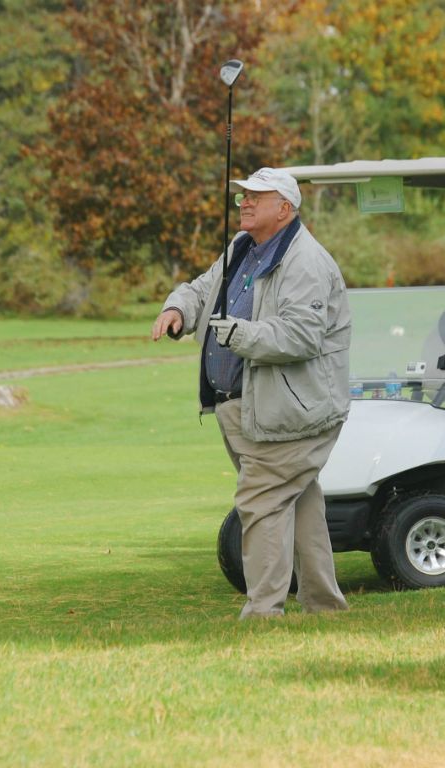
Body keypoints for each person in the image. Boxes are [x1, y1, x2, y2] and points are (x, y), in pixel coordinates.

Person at [152, 167, 351, 619]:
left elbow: (301, 336)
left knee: (260, 502)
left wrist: (237, 334)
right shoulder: (244, 246)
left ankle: (263, 613)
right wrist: (177, 309)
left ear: (284, 208)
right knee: (298, 501)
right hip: (249, 409)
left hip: (290, 412)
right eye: (243, 195)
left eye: (256, 197)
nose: (244, 202)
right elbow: (203, 289)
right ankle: (324, 605)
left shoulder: (305, 261)